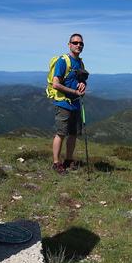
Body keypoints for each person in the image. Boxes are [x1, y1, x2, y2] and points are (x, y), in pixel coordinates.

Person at [51, 33, 87, 174]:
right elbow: (56, 84)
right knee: (61, 133)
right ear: (69, 44)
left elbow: (81, 80)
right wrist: (74, 92)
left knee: (73, 134)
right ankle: (56, 163)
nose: (79, 45)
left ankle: (68, 160)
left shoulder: (80, 63)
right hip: (63, 103)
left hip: (76, 103)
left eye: (81, 43)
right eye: (75, 42)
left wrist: (82, 86)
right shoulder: (63, 61)